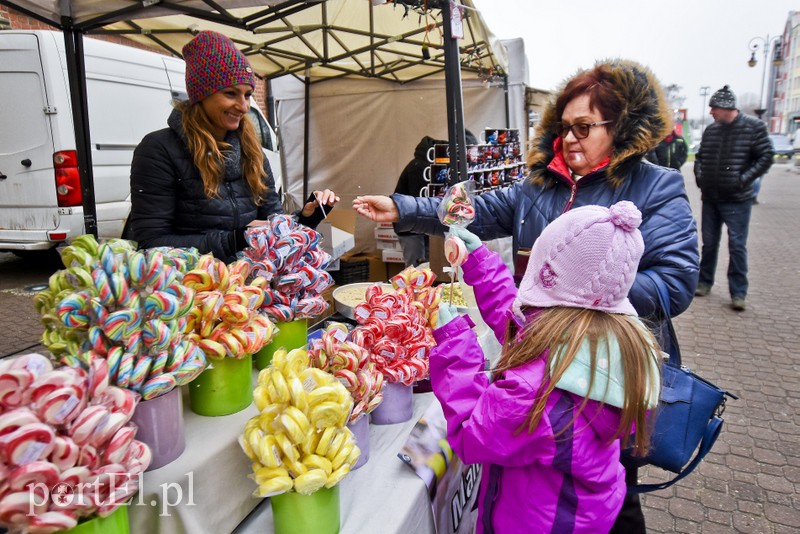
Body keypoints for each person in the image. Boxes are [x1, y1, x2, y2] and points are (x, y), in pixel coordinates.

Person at [355, 58, 698, 531]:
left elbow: (676, 282)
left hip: (602, 366)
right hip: (540, 348)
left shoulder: (656, 186)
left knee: (609, 489)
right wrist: (401, 207)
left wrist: (580, 292)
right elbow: (473, 212)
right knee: (558, 482)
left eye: (584, 127)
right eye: (565, 127)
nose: (570, 138)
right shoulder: (542, 182)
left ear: (620, 128)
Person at [430, 202, 662, 533]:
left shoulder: (535, 392)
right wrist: (480, 263)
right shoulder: (603, 341)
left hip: (538, 521)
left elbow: (472, 432)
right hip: (578, 510)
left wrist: (454, 347)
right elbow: (522, 331)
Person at [127, 30, 338, 262]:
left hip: (248, 283)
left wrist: (306, 217)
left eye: (247, 95)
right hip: (193, 289)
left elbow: (272, 221)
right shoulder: (159, 150)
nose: (243, 106)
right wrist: (236, 239)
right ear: (201, 95)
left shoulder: (251, 148)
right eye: (230, 93)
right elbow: (151, 244)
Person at [693, 85, 773, 311]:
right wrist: (700, 177)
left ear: (726, 108)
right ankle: (704, 282)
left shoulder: (753, 127)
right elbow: (699, 158)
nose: (711, 113)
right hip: (711, 197)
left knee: (737, 245)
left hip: (737, 199)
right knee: (709, 244)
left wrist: (743, 179)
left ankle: (738, 292)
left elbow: (766, 157)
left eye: (713, 108)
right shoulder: (711, 131)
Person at [394, 131, 479, 266]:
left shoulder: (443, 164)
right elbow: (420, 205)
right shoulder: (422, 168)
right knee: (416, 269)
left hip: (422, 223)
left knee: (428, 265)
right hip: (409, 227)